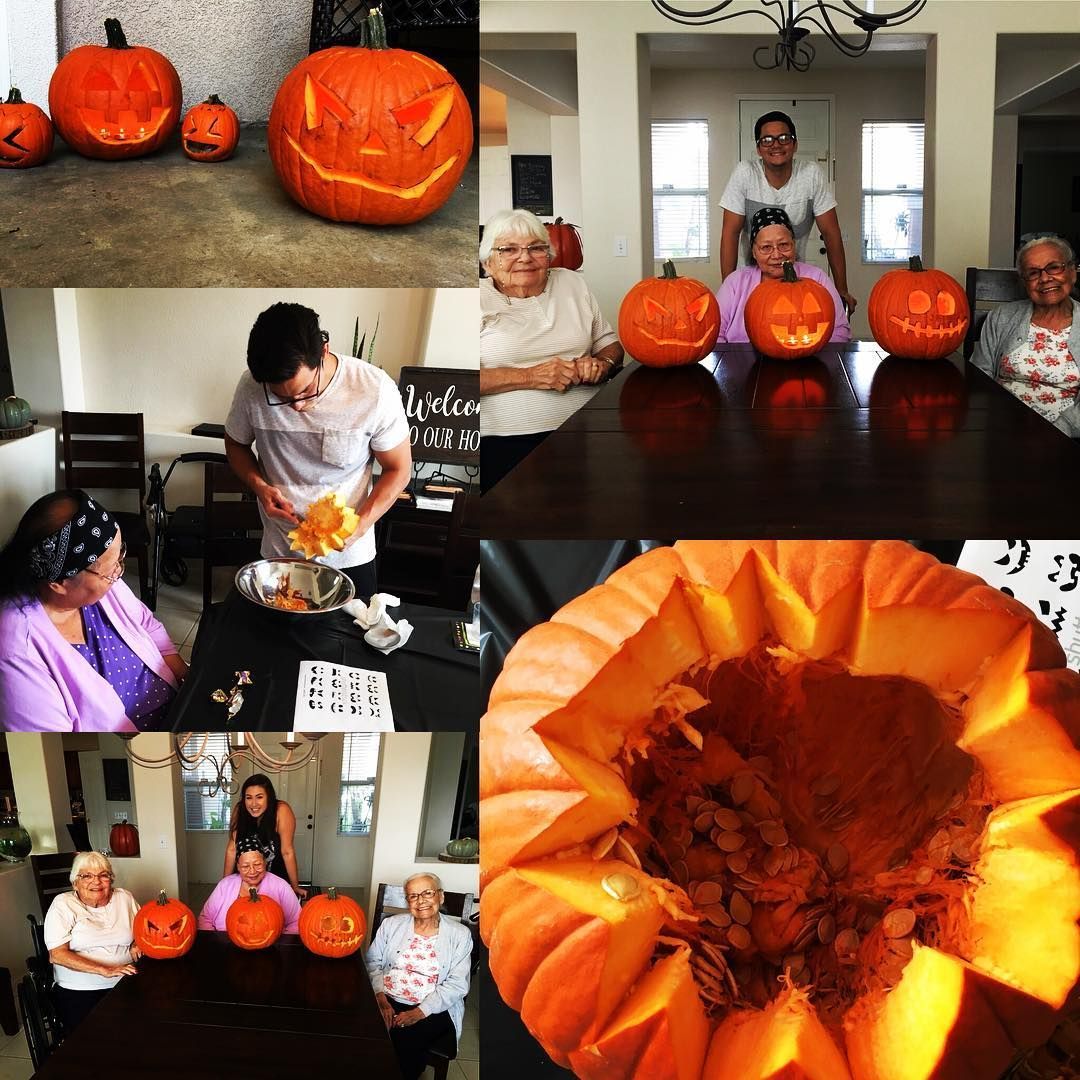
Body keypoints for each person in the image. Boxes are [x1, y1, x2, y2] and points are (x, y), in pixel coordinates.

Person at [224, 302, 412, 601]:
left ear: (323, 352)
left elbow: (399, 469)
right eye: (280, 397)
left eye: (304, 391)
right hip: (278, 552)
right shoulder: (251, 386)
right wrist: (259, 487)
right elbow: (236, 444)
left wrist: (361, 525)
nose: (296, 406)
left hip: (349, 557)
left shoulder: (374, 390)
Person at [0, 490, 187, 732]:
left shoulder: (106, 585)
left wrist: (188, 683)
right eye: (110, 571)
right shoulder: (17, 647)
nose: (118, 574)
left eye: (120, 556)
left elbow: (147, 624)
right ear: (59, 583)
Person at [480, 208, 624, 494]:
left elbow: (611, 345)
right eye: (509, 249)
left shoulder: (573, 284)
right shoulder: (474, 299)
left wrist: (601, 365)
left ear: (549, 256)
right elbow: (461, 380)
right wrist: (531, 376)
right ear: (488, 263)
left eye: (536, 248)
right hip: (508, 443)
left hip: (591, 432)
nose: (525, 257)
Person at [720, 110, 856, 315]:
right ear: (758, 148)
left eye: (784, 138)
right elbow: (730, 233)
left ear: (795, 144)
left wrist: (842, 288)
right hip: (748, 281)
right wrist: (728, 289)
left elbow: (831, 233)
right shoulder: (745, 173)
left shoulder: (811, 175)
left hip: (793, 278)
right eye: (767, 140)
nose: (776, 144)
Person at [366, 873, 473, 1080]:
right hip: (386, 997)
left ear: (440, 897)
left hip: (433, 1008)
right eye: (413, 896)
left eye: (428, 893)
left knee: (405, 1041)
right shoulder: (391, 925)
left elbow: (457, 985)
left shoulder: (459, 935)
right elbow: (372, 962)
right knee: (363, 1032)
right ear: (407, 902)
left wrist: (419, 1012)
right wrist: (380, 998)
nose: (421, 901)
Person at [972, 234, 1080, 437]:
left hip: (1066, 439)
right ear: (1024, 282)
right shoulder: (1001, 317)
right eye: (1033, 273)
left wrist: (1056, 432)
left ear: (1072, 272)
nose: (1045, 278)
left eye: (1054, 267)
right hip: (1000, 431)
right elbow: (980, 377)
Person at [717, 207, 851, 344]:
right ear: (754, 252)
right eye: (766, 247)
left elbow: (840, 331)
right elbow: (715, 333)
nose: (776, 255)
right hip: (742, 361)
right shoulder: (734, 282)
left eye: (784, 245)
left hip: (806, 360)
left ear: (794, 245)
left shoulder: (817, 278)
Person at [43, 851, 140, 1032]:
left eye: (103, 875)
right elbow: (57, 955)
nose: (96, 881)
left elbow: (145, 929)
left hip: (126, 982)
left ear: (111, 880)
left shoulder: (125, 898)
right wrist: (105, 970)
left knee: (141, 1028)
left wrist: (138, 943)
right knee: (95, 1037)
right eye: (87, 875)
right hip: (80, 990)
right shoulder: (63, 904)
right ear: (75, 882)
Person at [222, 773, 306, 899]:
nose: (253, 804)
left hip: (275, 879)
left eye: (259, 797)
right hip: (245, 880)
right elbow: (232, 849)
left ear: (269, 797)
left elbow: (287, 851)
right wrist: (225, 885)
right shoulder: (240, 810)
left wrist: (295, 886)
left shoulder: (281, 811)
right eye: (248, 798)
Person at [198, 839, 301, 932]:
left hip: (270, 945)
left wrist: (281, 943)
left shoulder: (281, 886)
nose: (252, 871)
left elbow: (296, 922)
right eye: (245, 866)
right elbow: (205, 918)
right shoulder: (225, 885)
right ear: (238, 867)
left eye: (257, 864)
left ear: (265, 862)